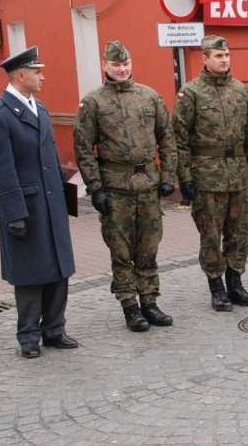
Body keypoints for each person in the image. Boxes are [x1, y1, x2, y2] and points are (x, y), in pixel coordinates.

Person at [0, 46, 77, 359]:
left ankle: (54, 329)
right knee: (31, 274)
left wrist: (68, 193)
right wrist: (13, 213)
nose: (42, 77)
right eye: (37, 72)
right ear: (21, 75)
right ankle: (29, 336)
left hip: (52, 205)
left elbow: (50, 158)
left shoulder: (41, 108)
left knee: (59, 269)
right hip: (26, 209)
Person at [73, 41, 177, 332]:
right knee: (121, 250)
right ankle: (130, 306)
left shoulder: (149, 96)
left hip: (148, 185)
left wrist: (168, 176)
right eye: (116, 65)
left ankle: (150, 301)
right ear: (105, 66)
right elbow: (83, 147)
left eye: (126, 64)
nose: (122, 69)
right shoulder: (93, 102)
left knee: (148, 247)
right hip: (115, 186)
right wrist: (96, 188)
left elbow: (166, 137)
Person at [172, 35, 248, 311]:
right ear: (205, 59)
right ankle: (217, 287)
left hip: (237, 174)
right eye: (218, 56)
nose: (224, 60)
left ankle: (235, 283)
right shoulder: (191, 93)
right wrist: (184, 177)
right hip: (206, 176)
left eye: (226, 55)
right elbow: (180, 139)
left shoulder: (240, 90)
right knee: (211, 234)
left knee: (240, 232)